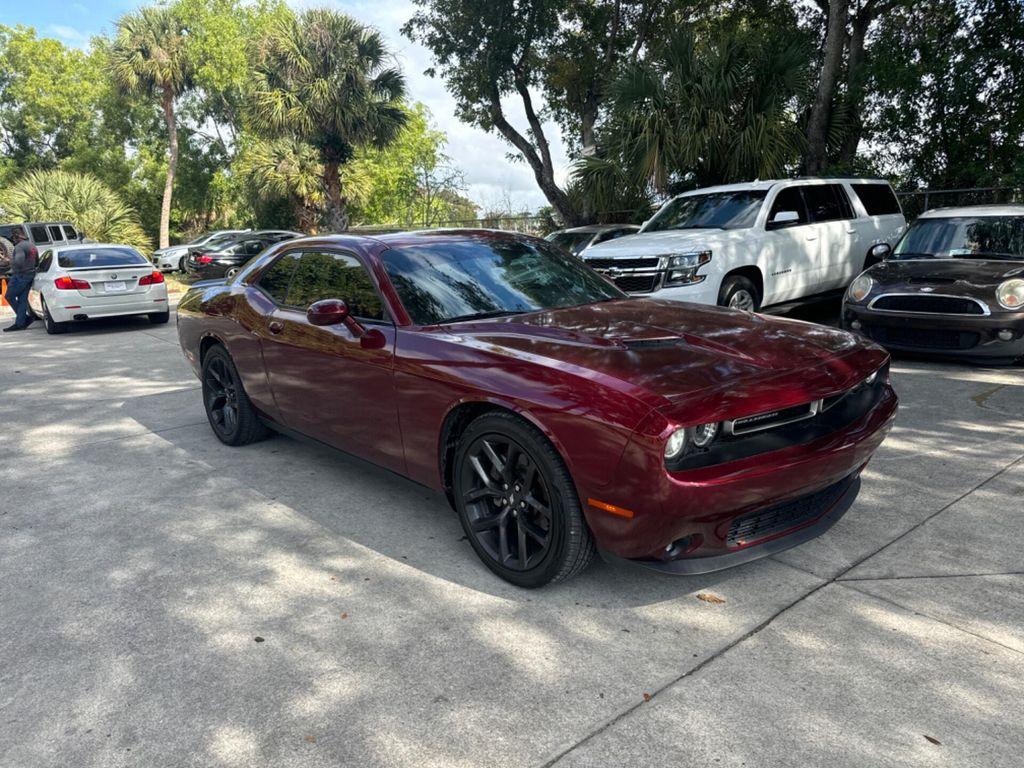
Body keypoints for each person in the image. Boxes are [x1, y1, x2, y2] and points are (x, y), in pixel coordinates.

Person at [4, 229, 38, 332]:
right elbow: (37, 261)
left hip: (21, 275)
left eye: (14, 238)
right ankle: (21, 322)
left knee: (9, 296)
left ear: (17, 237)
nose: (13, 241)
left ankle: (23, 319)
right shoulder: (32, 246)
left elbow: (19, 262)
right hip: (30, 274)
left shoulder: (19, 247)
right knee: (22, 299)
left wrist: (9, 261)